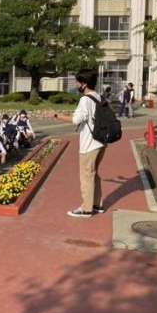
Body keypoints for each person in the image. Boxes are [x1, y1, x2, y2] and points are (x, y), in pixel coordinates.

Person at [54, 69, 106, 218]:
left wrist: (56, 115)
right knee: (94, 174)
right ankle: (97, 204)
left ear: (84, 84)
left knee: (86, 176)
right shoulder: (98, 96)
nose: (76, 85)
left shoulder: (85, 99)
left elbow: (76, 120)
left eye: (77, 82)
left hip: (89, 144)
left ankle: (86, 209)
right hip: (101, 142)